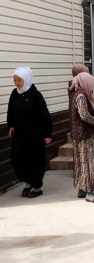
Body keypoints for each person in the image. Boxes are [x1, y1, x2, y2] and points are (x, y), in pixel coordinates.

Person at [7, 67, 52, 198]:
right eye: (14, 80)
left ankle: (37, 186)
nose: (16, 83)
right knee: (17, 158)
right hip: (20, 134)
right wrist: (11, 125)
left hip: (35, 135)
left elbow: (45, 115)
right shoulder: (14, 94)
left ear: (26, 79)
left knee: (35, 159)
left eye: (19, 80)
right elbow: (10, 111)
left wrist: (47, 133)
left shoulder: (35, 95)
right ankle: (28, 182)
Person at [69, 72, 94, 203]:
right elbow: (84, 115)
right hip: (85, 134)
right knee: (89, 162)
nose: (92, 87)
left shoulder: (76, 93)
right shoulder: (81, 96)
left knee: (82, 162)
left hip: (79, 134)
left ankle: (82, 189)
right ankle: (90, 193)